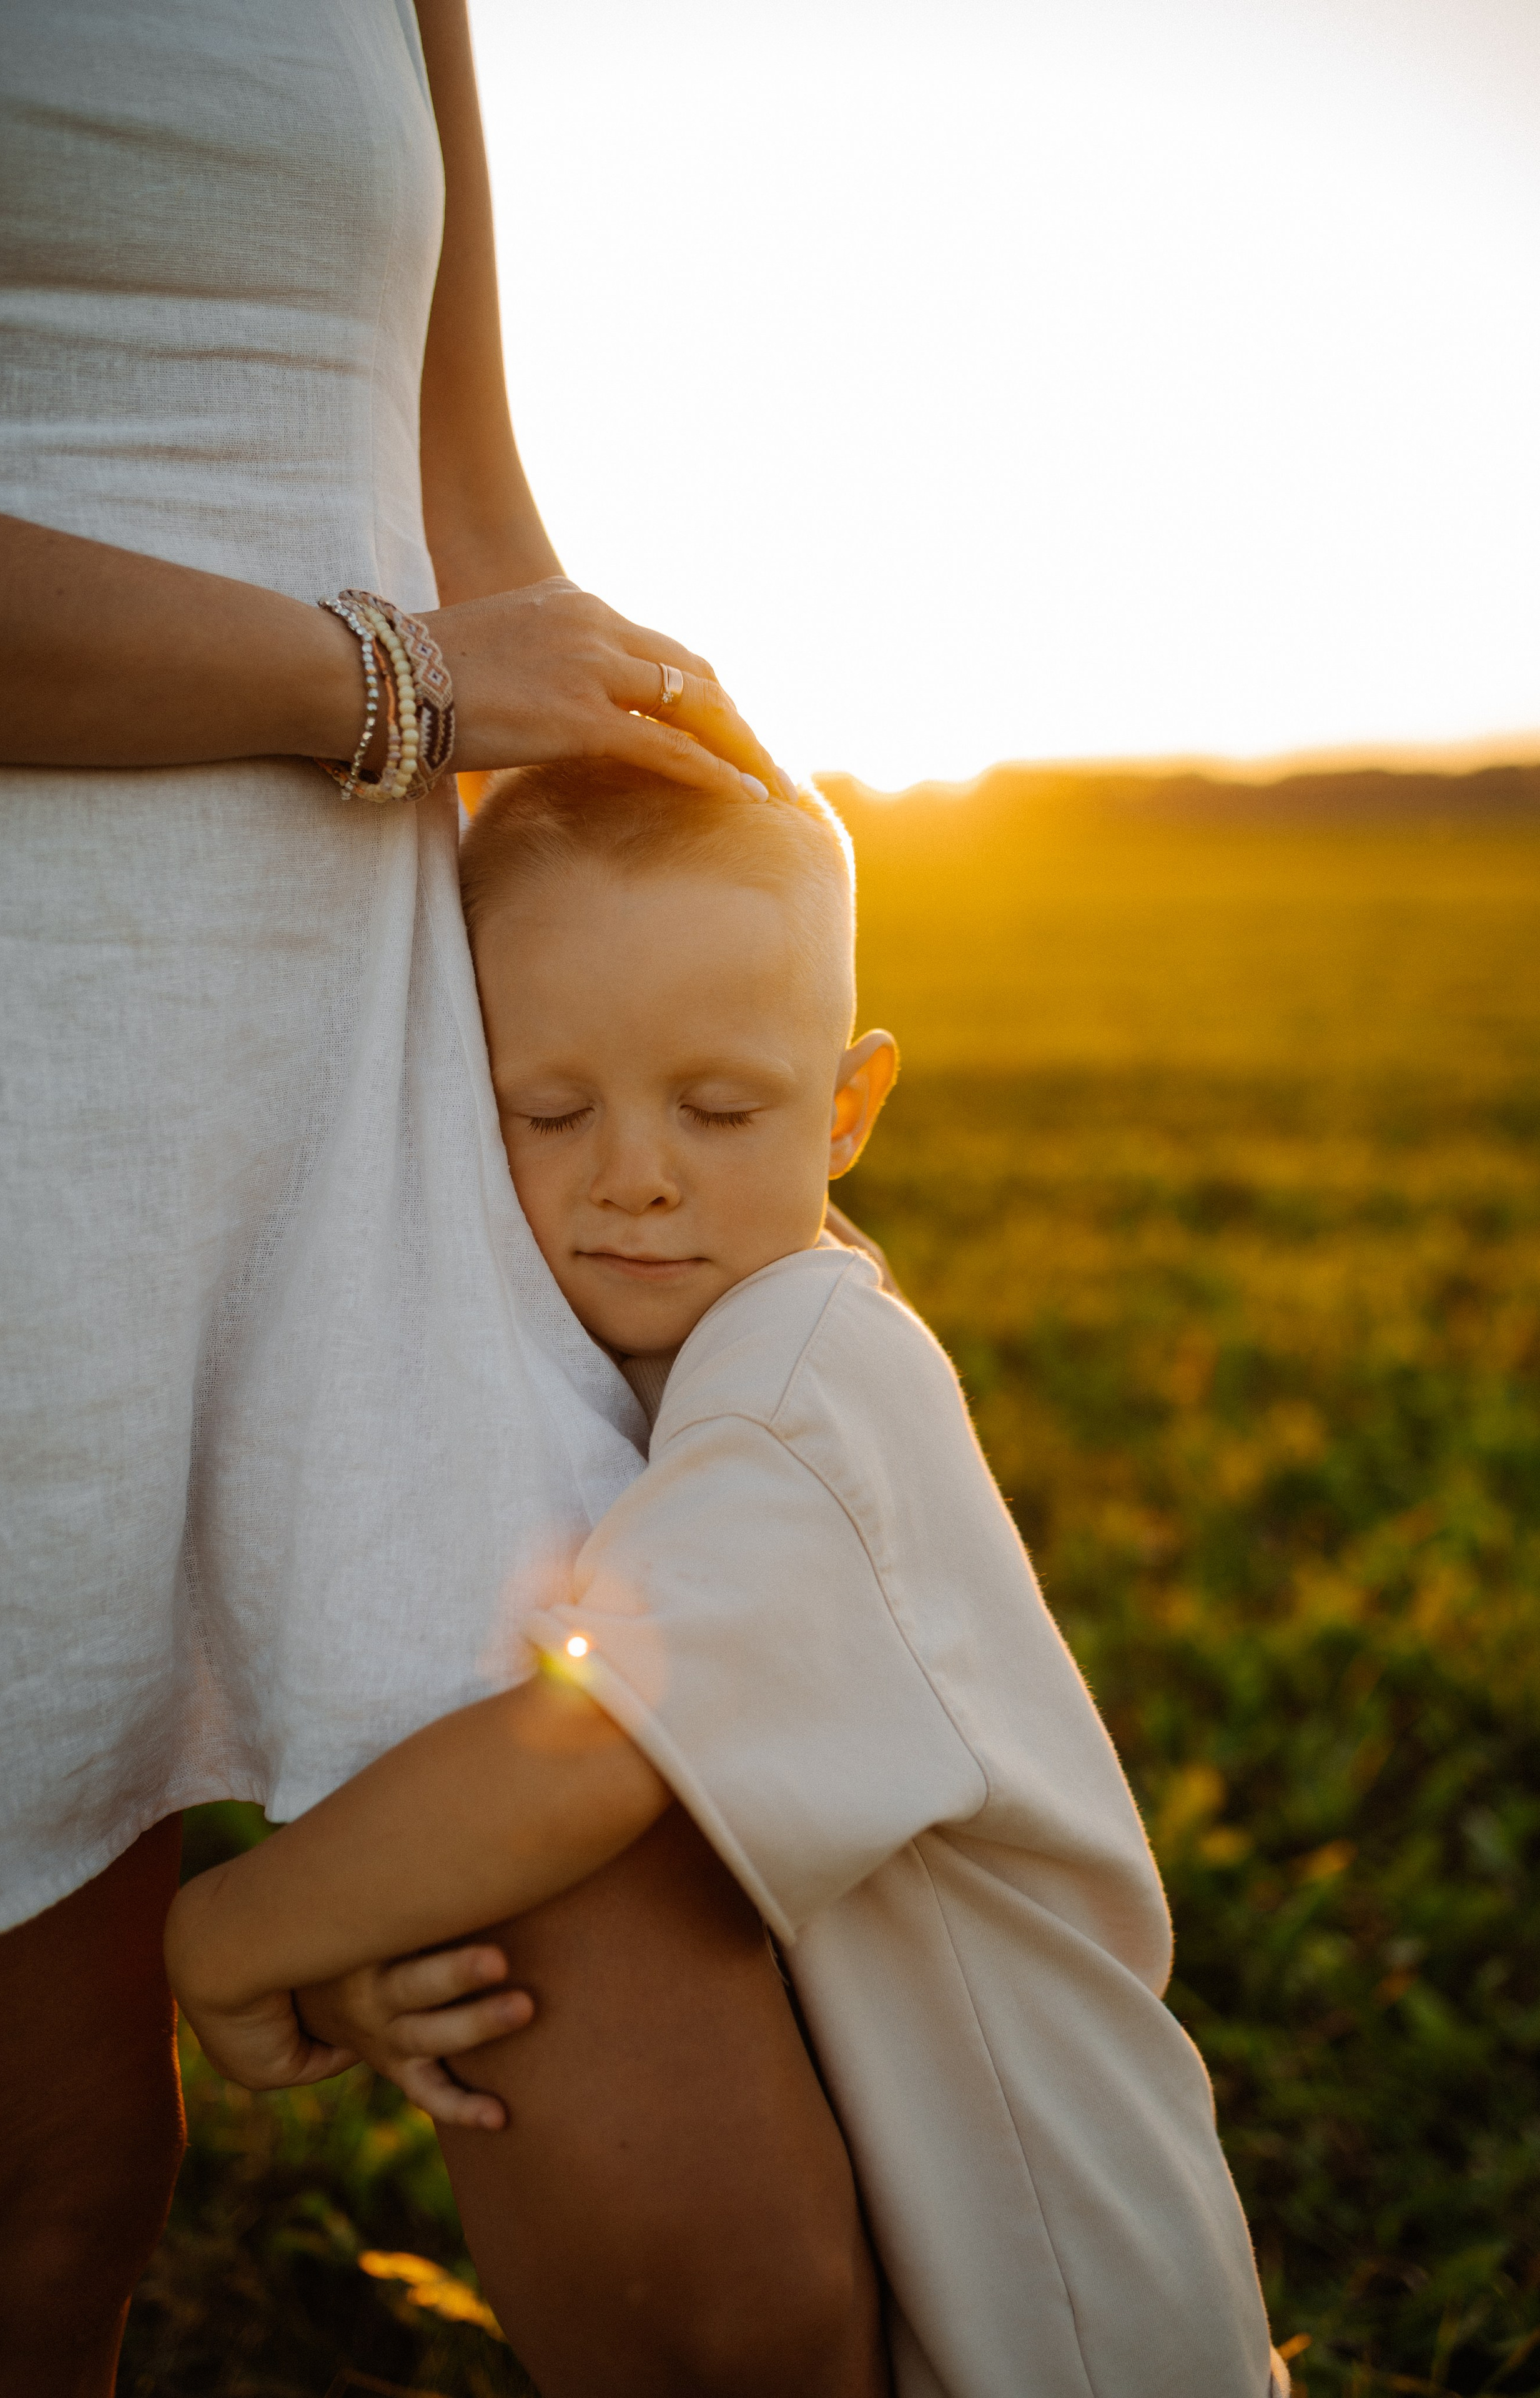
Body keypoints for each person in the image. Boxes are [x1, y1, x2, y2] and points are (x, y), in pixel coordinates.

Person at [0, 6, 862, 2389]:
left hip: (380, 1082)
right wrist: (395, 687)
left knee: (726, 2265)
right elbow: (440, 648)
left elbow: (480, 534)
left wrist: (683, 1035)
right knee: (22, 2223)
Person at [166, 761, 1288, 2398]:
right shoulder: (701, 1363)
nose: (636, 1176)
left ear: (848, 1109)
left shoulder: (800, 1378)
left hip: (1059, 2320)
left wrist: (229, 1934)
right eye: (548, 1112)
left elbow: (588, 1757)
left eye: (721, 1110)